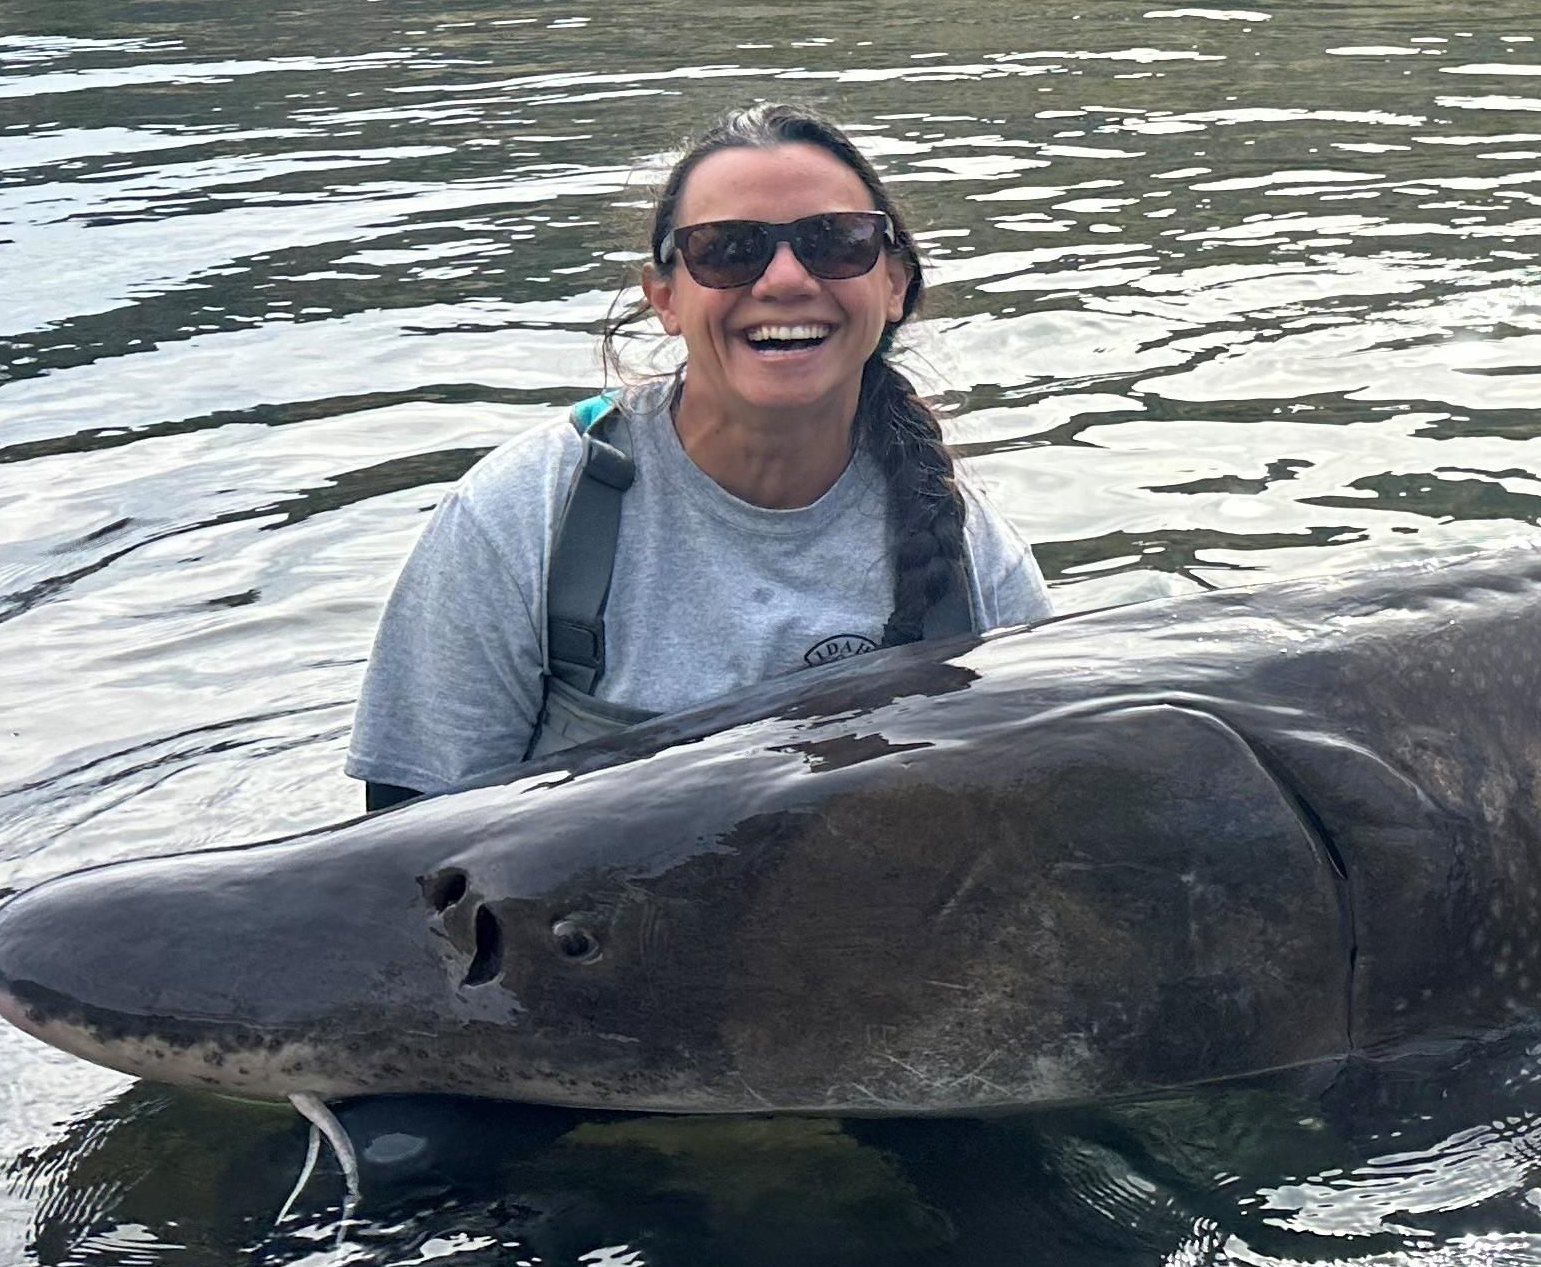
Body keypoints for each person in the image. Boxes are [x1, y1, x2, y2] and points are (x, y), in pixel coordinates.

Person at [348, 102, 1054, 810]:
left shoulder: (974, 555)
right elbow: (400, 847)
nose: (784, 281)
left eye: (837, 243)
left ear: (893, 285)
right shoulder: (521, 516)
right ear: (665, 298)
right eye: (727, 250)